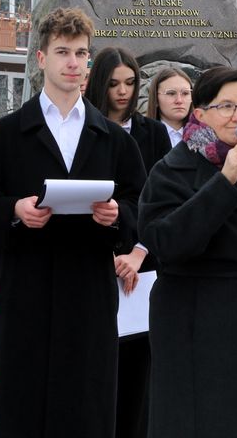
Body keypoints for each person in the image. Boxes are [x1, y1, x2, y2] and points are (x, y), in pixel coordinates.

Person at [0, 8, 145, 437]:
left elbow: (141, 203)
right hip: (25, 290)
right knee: (25, 399)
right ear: (41, 58)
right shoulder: (6, 135)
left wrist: (117, 216)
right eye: (62, 52)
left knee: (87, 401)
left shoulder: (113, 139)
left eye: (81, 53)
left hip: (89, 293)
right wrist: (13, 210)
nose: (73, 62)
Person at [139, 66, 237, 437]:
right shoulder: (173, 169)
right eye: (227, 106)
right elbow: (164, 242)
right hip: (198, 329)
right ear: (200, 113)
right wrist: (225, 181)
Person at [85, 46, 171, 438]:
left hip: (144, 263)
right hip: (95, 260)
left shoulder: (152, 133)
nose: (123, 91)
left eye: (131, 83)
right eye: (114, 83)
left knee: (139, 365)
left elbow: (164, 201)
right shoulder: (84, 131)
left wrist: (138, 253)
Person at [146, 67, 193, 147]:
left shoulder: (206, 137)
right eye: (171, 93)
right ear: (156, 98)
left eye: (185, 93)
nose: (179, 100)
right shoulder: (141, 137)